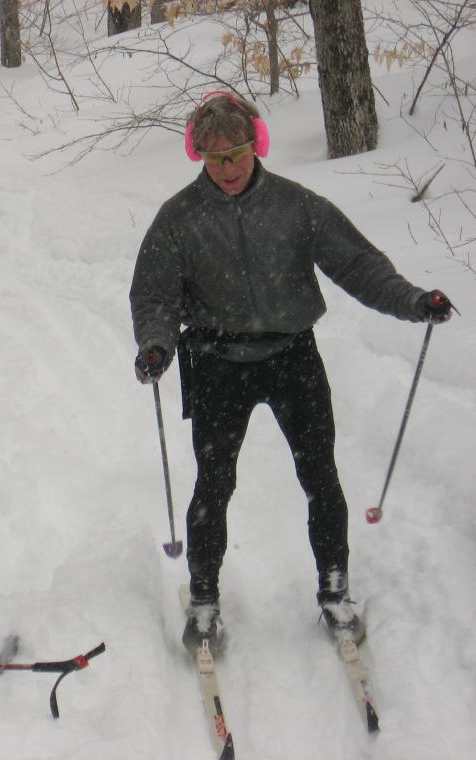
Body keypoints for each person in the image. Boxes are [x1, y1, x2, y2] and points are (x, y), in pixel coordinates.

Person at [128, 91, 453, 654]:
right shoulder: (178, 219)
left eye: (237, 154)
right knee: (214, 485)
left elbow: (358, 265)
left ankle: (334, 587)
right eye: (214, 158)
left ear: (258, 145)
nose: (227, 169)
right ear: (197, 155)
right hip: (215, 363)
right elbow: (153, 295)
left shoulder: (297, 206)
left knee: (320, 477)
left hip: (291, 358)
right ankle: (203, 598)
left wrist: (414, 300)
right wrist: (157, 347)